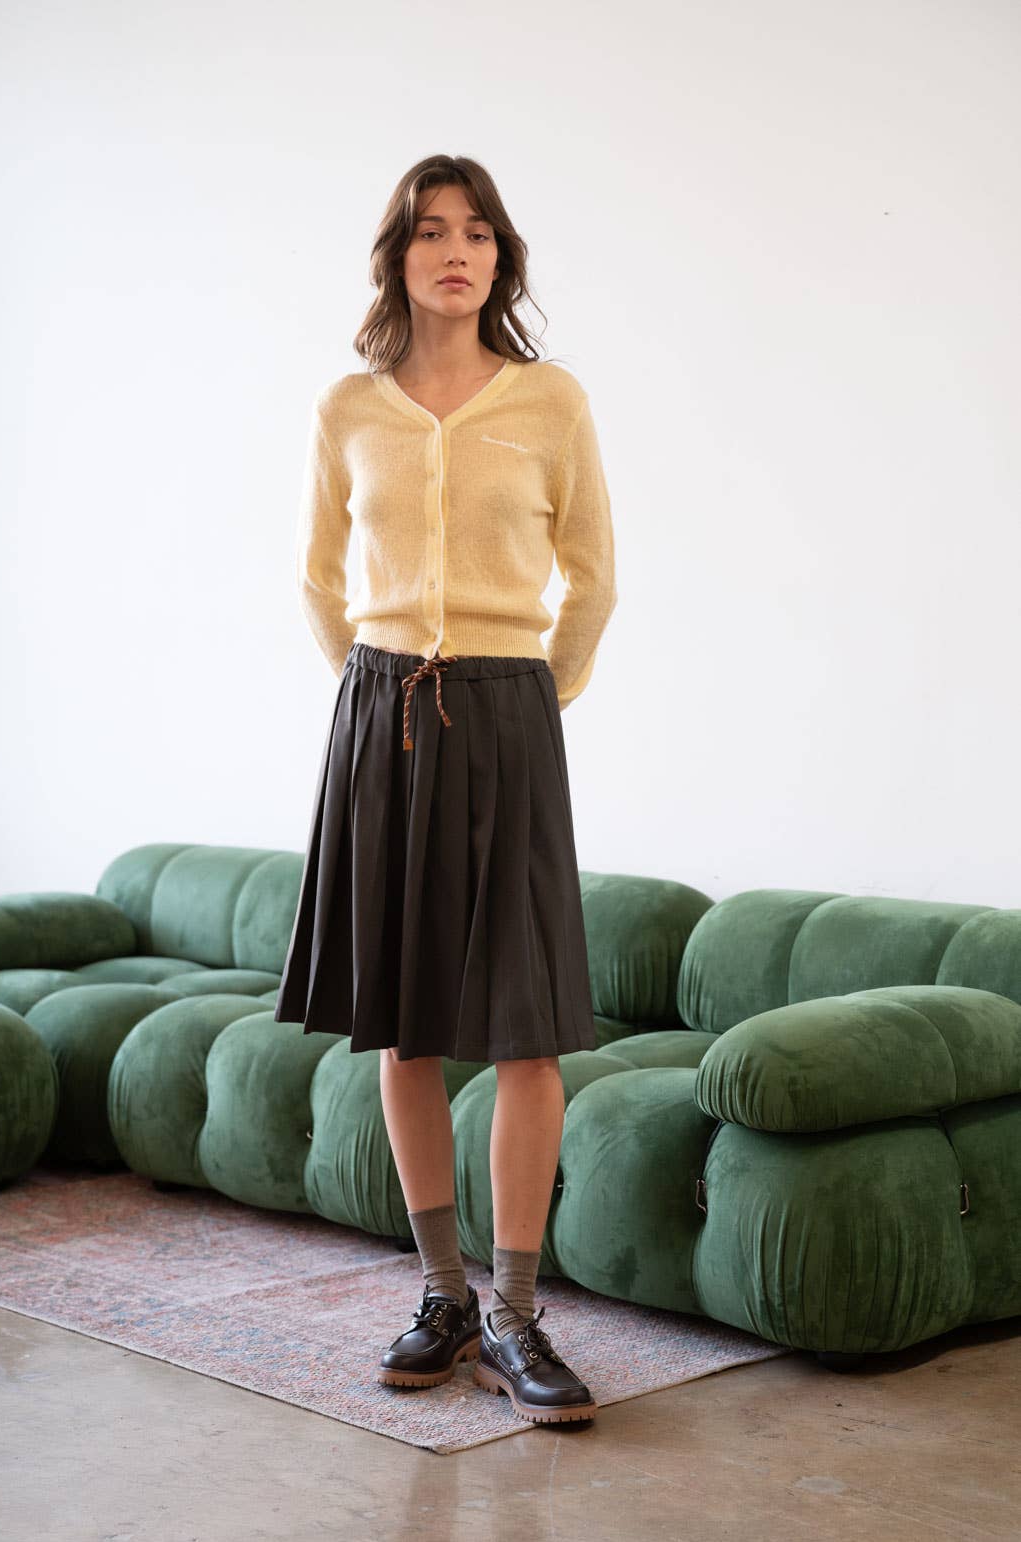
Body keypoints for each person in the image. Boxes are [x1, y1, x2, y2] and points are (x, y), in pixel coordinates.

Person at [274, 154, 617, 1426]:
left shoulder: (550, 400)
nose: (454, 251)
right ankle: (444, 1296)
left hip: (509, 712)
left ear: (499, 257)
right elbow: (318, 578)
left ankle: (516, 1314)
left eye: (476, 232)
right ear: (398, 258)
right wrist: (374, 690)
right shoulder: (347, 409)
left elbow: (592, 576)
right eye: (430, 232)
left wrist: (528, 699)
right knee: (406, 1028)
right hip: (382, 718)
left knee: (527, 1031)